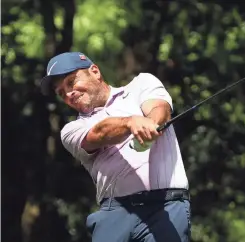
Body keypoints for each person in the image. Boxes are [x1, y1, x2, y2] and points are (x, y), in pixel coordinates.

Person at [40, 52, 191, 242]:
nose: (69, 94)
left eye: (71, 82)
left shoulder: (141, 84)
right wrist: (131, 123)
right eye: (61, 93)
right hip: (115, 213)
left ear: (95, 71)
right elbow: (98, 134)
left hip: (166, 206)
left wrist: (151, 124)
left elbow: (160, 108)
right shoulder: (71, 130)